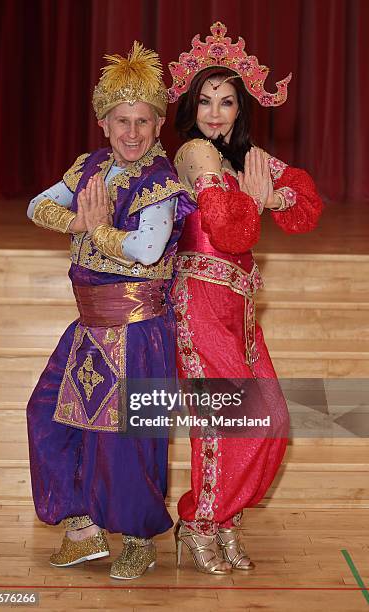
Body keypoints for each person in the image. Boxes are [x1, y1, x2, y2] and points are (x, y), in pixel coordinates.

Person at [26, 42, 195, 580]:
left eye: (143, 121)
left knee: (130, 440)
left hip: (140, 328)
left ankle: (141, 538)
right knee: (48, 416)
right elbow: (37, 205)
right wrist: (74, 222)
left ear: (158, 125)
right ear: (103, 123)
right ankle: (83, 529)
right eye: (121, 120)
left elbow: (147, 249)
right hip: (89, 326)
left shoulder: (162, 182)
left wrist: (95, 227)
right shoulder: (90, 166)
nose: (132, 132)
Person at [167, 22, 324, 574]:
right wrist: (259, 202)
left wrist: (273, 192)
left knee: (271, 418)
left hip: (241, 309)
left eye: (226, 101)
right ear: (191, 105)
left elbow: (307, 204)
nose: (214, 112)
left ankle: (226, 519)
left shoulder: (241, 157)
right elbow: (230, 232)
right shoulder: (194, 154)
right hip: (200, 301)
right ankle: (199, 522)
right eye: (205, 100)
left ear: (240, 109)